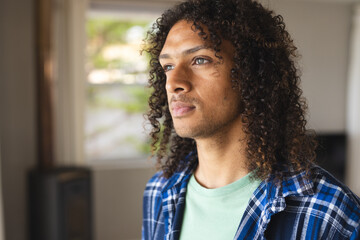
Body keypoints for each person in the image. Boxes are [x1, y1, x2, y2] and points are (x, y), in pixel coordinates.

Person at [141, 0, 360, 239]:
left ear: (252, 73)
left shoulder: (333, 214)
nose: (173, 83)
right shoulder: (159, 191)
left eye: (200, 60)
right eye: (168, 66)